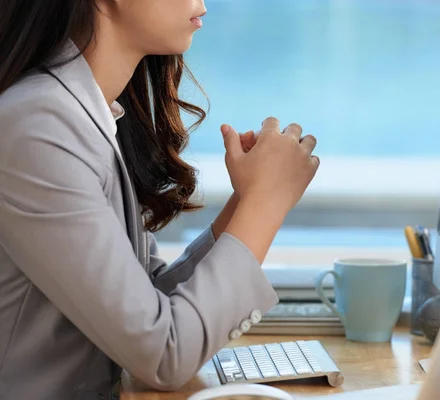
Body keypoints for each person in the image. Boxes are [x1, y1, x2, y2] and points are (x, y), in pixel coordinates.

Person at [0, 0, 320, 398]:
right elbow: (163, 354)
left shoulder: (85, 115)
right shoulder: (39, 127)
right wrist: (265, 204)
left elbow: (146, 305)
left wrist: (247, 201)